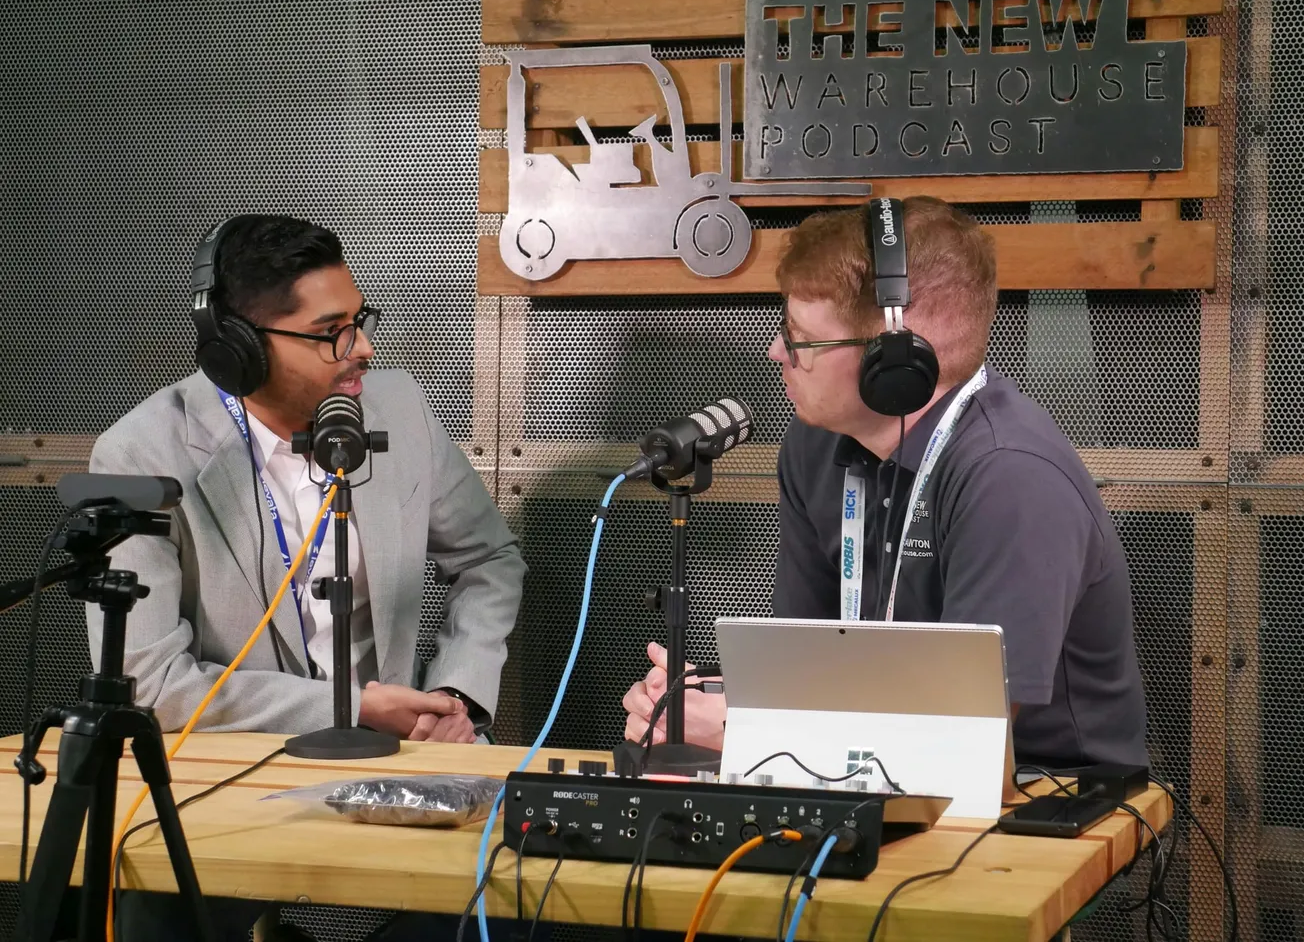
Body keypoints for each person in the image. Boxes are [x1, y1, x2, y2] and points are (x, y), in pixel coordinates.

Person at [85, 214, 526, 940]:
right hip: (229, 770)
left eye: (359, 321)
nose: (363, 348)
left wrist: (456, 694)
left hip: (406, 755)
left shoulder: (401, 409)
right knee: (155, 907)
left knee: (510, 899)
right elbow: (153, 683)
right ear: (238, 348)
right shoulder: (139, 454)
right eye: (331, 333)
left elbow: (489, 560)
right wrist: (352, 708)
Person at [621, 196, 1149, 773]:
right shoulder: (814, 445)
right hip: (864, 777)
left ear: (893, 362)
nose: (776, 353)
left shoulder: (1012, 477)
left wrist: (743, 731)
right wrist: (701, 704)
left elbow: (967, 744)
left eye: (798, 339)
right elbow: (803, 673)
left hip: (1040, 792)